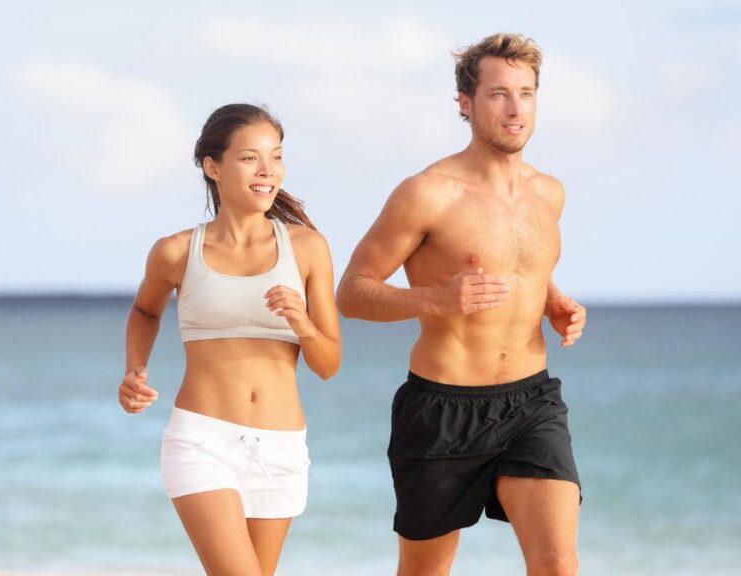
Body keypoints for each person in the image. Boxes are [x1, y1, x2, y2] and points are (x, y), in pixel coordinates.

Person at [336, 33, 588, 576]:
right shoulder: (427, 192)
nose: (516, 107)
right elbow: (352, 292)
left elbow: (526, 269)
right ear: (466, 104)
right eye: (499, 93)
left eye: (526, 92)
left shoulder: (550, 193)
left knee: (558, 565)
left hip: (531, 402)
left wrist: (554, 301)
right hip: (441, 409)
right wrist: (434, 298)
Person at [118, 103, 341, 576]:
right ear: (212, 167)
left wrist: (302, 323)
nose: (267, 171)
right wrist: (134, 368)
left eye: (276, 157)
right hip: (202, 441)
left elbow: (328, 363)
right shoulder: (177, 250)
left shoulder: (307, 248)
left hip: (281, 447)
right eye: (250, 158)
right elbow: (144, 310)